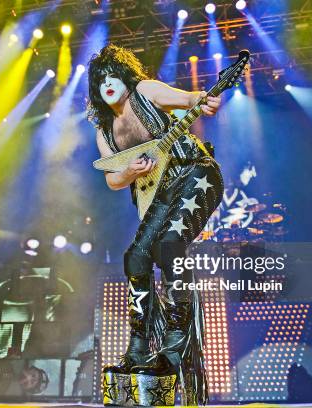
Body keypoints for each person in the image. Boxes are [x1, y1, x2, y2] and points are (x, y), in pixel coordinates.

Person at [87, 44, 224, 405]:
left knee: (169, 247)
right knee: (135, 258)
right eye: (100, 79)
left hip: (194, 173)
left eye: (112, 74)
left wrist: (204, 99)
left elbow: (189, 97)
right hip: (156, 195)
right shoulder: (104, 129)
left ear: (124, 75)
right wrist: (129, 171)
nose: (107, 82)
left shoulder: (144, 93)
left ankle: (177, 344)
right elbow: (111, 178)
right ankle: (138, 345)